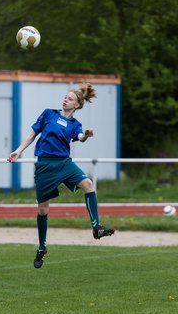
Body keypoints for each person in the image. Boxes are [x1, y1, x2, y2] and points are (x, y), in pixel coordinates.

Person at [7, 83, 115, 269]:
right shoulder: (49, 113)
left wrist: (87, 135)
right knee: (43, 210)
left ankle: (97, 227)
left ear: (77, 106)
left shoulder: (75, 124)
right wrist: (18, 151)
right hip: (45, 165)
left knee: (88, 184)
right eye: (66, 97)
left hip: (64, 163)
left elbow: (80, 137)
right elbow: (32, 134)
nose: (66, 99)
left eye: (70, 98)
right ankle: (42, 248)